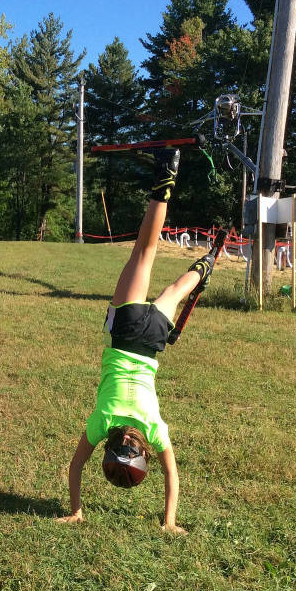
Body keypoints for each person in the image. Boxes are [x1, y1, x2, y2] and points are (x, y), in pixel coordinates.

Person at [57, 149, 217, 534]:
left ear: (142, 450)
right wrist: (76, 509)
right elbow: (76, 467)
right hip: (126, 331)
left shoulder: (154, 428)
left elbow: (171, 476)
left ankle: (206, 265)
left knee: (176, 290)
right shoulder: (102, 423)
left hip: (152, 341)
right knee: (145, 252)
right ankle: (164, 183)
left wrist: (170, 521)